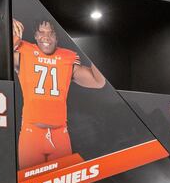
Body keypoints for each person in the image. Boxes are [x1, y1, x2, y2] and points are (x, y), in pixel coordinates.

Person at [13, 18, 105, 169]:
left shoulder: (67, 58)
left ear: (57, 37)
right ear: (35, 35)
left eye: (51, 33)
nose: (46, 37)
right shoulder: (24, 53)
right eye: (41, 32)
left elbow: (98, 81)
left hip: (60, 134)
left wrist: (95, 48)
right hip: (31, 133)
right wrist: (7, 23)